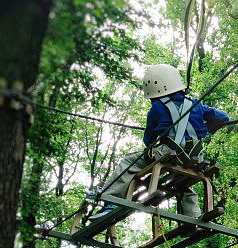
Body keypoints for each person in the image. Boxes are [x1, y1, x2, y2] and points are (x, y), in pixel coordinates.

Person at [90, 64, 229, 220]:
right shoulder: (196, 104)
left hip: (168, 153)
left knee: (128, 162)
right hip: (197, 157)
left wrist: (153, 149)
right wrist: (205, 129)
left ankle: (110, 200)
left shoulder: (157, 107)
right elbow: (223, 118)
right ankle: (194, 216)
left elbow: (148, 139)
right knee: (181, 183)